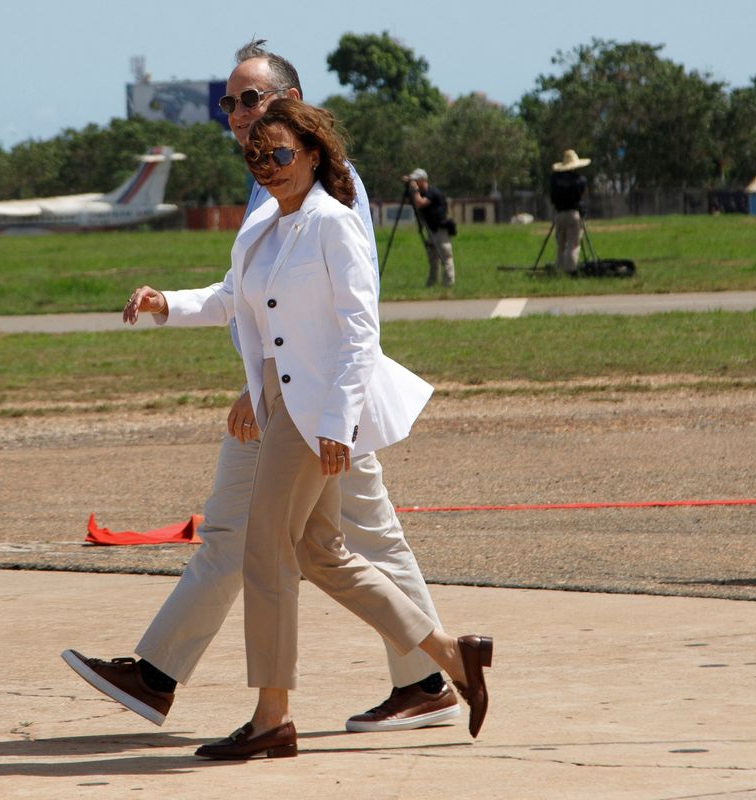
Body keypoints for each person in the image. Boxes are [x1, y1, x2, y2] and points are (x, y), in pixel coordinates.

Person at [62, 39, 459, 737]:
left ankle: (424, 676)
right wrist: (174, 309)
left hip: (321, 404)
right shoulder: (268, 182)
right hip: (290, 400)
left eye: (251, 98)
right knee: (250, 535)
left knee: (348, 542)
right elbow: (250, 295)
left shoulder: (330, 186)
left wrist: (278, 390)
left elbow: (347, 313)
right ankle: (159, 675)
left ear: (291, 104)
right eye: (229, 102)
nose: (237, 113)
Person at [405, 168, 455, 287]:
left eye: (416, 180)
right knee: (433, 259)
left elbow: (420, 203)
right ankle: (432, 282)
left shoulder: (433, 192)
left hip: (440, 230)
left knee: (445, 257)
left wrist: (415, 190)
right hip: (431, 230)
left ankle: (448, 283)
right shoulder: (421, 193)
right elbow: (411, 202)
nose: (414, 183)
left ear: (423, 180)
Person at [550, 149, 591, 274]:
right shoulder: (579, 180)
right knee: (573, 244)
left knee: (561, 244)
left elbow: (552, 197)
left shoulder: (555, 180)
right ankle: (570, 270)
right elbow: (584, 196)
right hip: (573, 214)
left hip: (559, 214)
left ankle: (559, 269)